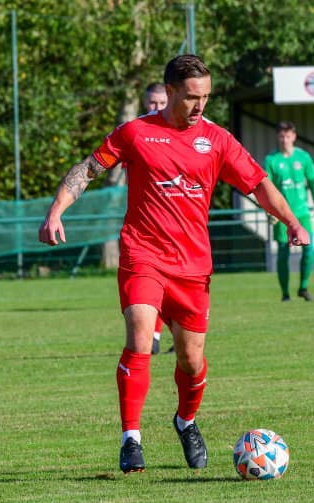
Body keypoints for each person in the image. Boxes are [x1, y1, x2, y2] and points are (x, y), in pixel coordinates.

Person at [39, 54, 309, 473]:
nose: (200, 105)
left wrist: (291, 220)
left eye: (206, 97)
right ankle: (131, 439)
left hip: (192, 267)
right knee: (140, 337)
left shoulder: (217, 140)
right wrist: (56, 211)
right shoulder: (136, 133)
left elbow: (258, 184)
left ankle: (186, 421)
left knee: (191, 360)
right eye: (191, 97)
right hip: (143, 255)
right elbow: (89, 169)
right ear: (169, 92)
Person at [264, 121, 314, 301]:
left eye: (288, 136)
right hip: (281, 214)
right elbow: (266, 187)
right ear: (277, 137)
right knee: (283, 252)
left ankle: (303, 287)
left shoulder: (303, 157)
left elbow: (312, 183)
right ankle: (285, 293)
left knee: (309, 249)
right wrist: (269, 210)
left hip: (302, 213)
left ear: (294, 137)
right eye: (281, 136)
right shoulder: (271, 160)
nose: (285, 140)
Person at [142, 82, 173, 355]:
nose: (157, 107)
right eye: (152, 102)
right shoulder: (136, 132)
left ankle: (182, 336)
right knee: (151, 286)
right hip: (148, 228)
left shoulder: (187, 129)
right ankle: (152, 335)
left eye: (162, 103)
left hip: (182, 228)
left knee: (177, 289)